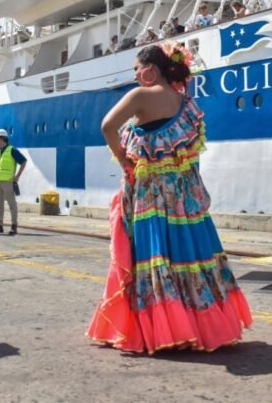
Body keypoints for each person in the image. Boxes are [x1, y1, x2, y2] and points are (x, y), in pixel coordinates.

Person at [88, 43, 252, 353]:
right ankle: (199, 323)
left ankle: (158, 328)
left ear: (150, 69)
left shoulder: (139, 97)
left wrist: (123, 158)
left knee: (155, 254)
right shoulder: (184, 102)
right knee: (188, 254)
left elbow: (107, 125)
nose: (136, 75)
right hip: (184, 197)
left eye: (137, 69)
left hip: (151, 194)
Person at [0, 128, 26, 235]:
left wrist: (17, 176)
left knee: (12, 205)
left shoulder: (12, 150)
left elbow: (23, 161)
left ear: (1, 139)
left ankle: (14, 226)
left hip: (8, 182)